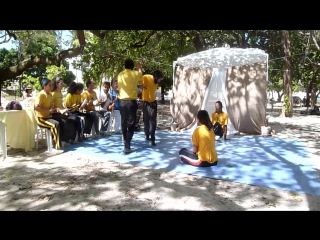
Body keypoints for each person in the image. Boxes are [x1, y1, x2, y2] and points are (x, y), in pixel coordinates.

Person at [33, 78, 70, 150]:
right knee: (55, 125)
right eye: (49, 86)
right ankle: (57, 145)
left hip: (48, 117)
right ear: (44, 86)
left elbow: (52, 107)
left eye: (52, 86)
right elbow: (36, 107)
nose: (51, 87)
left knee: (62, 120)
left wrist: (57, 110)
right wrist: (48, 111)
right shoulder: (41, 94)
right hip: (41, 119)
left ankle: (63, 140)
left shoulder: (50, 95)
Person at [117, 58, 145, 153]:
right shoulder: (135, 73)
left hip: (121, 102)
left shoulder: (120, 74)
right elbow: (140, 75)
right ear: (132, 66)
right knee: (132, 124)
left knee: (124, 122)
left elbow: (127, 85)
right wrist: (139, 67)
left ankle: (124, 137)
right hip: (131, 102)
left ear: (124, 65)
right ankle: (127, 146)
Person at [139, 70, 164, 146]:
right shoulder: (146, 77)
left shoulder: (156, 82)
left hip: (153, 103)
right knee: (146, 120)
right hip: (145, 102)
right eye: (160, 79)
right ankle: (147, 135)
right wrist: (141, 86)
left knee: (153, 121)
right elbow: (138, 82)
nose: (160, 81)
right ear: (156, 77)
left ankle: (152, 139)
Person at [51, 76, 78, 143]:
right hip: (55, 114)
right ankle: (63, 140)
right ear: (57, 84)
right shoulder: (53, 94)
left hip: (61, 112)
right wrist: (60, 110)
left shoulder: (60, 93)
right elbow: (52, 107)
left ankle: (71, 138)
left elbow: (61, 105)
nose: (63, 84)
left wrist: (66, 110)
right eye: (61, 83)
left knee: (73, 118)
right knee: (64, 120)